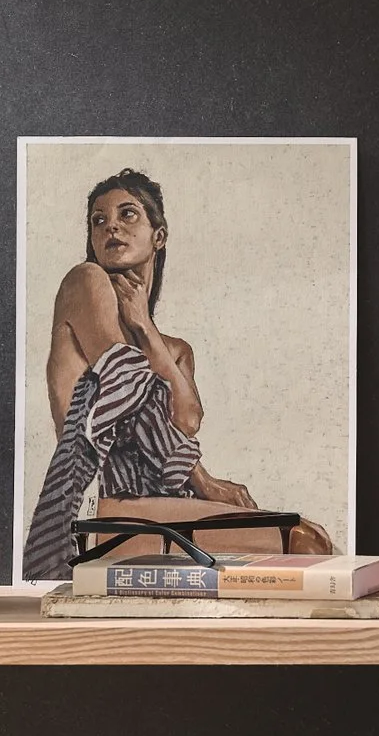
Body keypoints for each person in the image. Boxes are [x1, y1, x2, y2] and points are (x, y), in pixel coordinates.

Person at [20, 169, 256, 584]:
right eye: (98, 220)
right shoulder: (85, 280)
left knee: (308, 543)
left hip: (157, 506)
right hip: (98, 507)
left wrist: (145, 327)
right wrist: (205, 481)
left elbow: (187, 421)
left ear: (158, 236)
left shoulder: (176, 348)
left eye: (127, 214)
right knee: (299, 541)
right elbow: (129, 386)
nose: (110, 225)